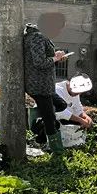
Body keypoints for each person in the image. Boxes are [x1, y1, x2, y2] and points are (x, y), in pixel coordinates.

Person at [24, 22, 67, 153]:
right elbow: (39, 63)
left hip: (45, 85)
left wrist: (56, 56)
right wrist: (55, 58)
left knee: (61, 104)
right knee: (50, 121)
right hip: (40, 86)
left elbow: (41, 57)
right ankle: (57, 150)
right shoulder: (37, 37)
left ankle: (39, 124)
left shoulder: (37, 36)